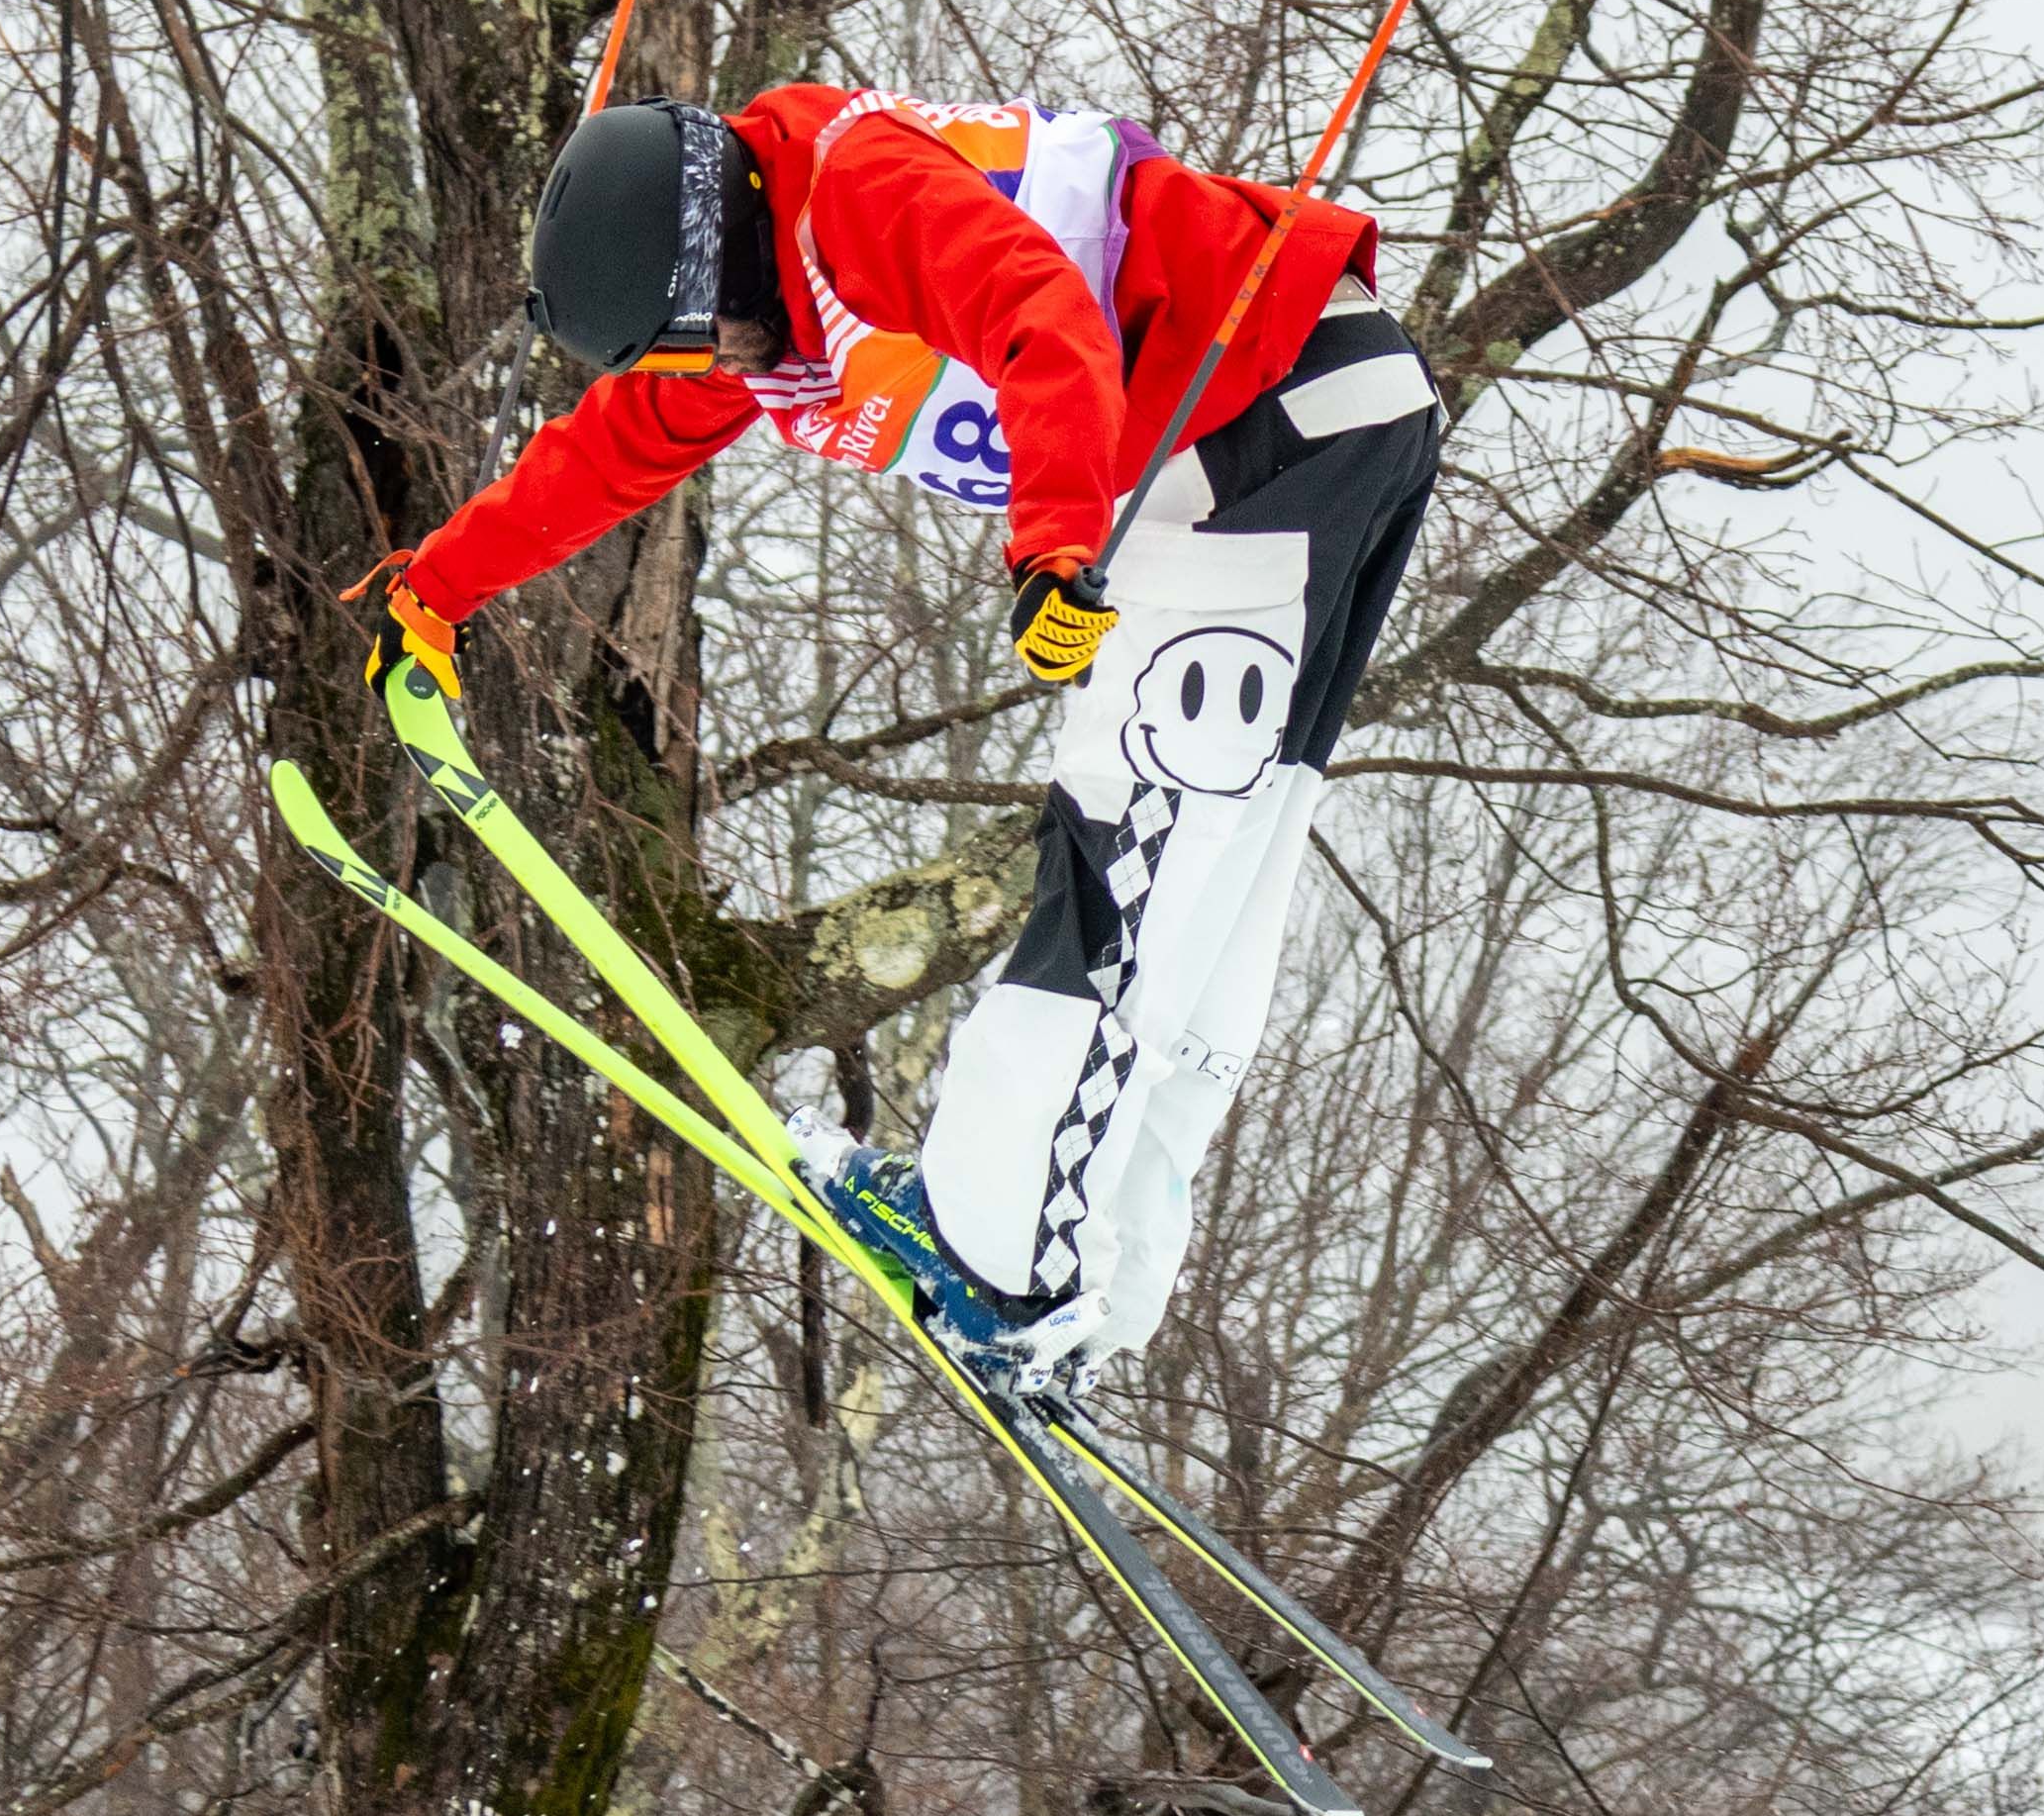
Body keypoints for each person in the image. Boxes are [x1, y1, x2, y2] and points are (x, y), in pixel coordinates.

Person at [394, 74, 1445, 1384]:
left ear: (717, 253)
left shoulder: (852, 193)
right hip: (1312, 413)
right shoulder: (758, 309)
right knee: (1218, 853)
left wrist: (1052, 545)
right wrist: (435, 586)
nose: (708, 370)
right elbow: (608, 450)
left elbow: (1042, 311)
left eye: (696, 338)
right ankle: (1093, 1280)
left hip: (1259, 416)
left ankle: (1000, 1260)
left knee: (1129, 835)